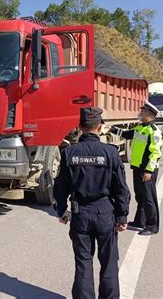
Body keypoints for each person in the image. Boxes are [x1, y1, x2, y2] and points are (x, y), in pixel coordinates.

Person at [53, 107, 131, 299]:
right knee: (109, 262)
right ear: (100, 127)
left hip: (81, 214)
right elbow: (121, 188)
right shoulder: (110, 153)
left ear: (79, 127)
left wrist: (61, 211)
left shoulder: (69, 153)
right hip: (105, 212)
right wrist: (122, 216)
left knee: (83, 262)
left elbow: (60, 186)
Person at [110, 101, 163, 236]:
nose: (141, 113)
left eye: (143, 112)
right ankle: (140, 221)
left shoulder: (153, 132)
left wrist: (149, 171)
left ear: (150, 115)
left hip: (147, 170)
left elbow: (155, 153)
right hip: (138, 168)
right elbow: (127, 134)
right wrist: (112, 129)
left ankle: (152, 225)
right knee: (140, 196)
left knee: (149, 198)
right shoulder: (141, 129)